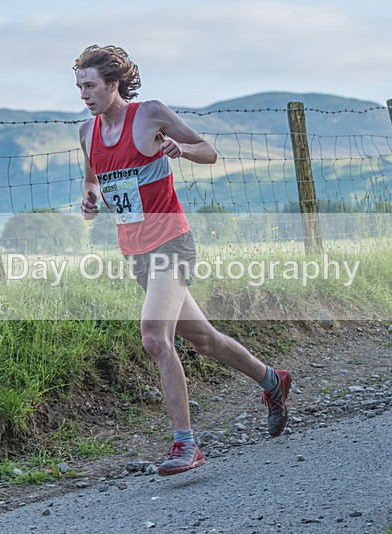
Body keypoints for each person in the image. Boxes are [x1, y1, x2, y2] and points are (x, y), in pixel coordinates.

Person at [74, 44, 292, 477]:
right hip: (136, 252)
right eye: (79, 86)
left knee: (155, 337)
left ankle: (185, 444)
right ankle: (273, 381)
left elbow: (208, 151)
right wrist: (92, 198)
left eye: (90, 86)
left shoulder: (150, 114)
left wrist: (180, 149)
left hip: (172, 242)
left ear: (114, 84)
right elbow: (93, 178)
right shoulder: (86, 132)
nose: (83, 94)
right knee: (205, 340)